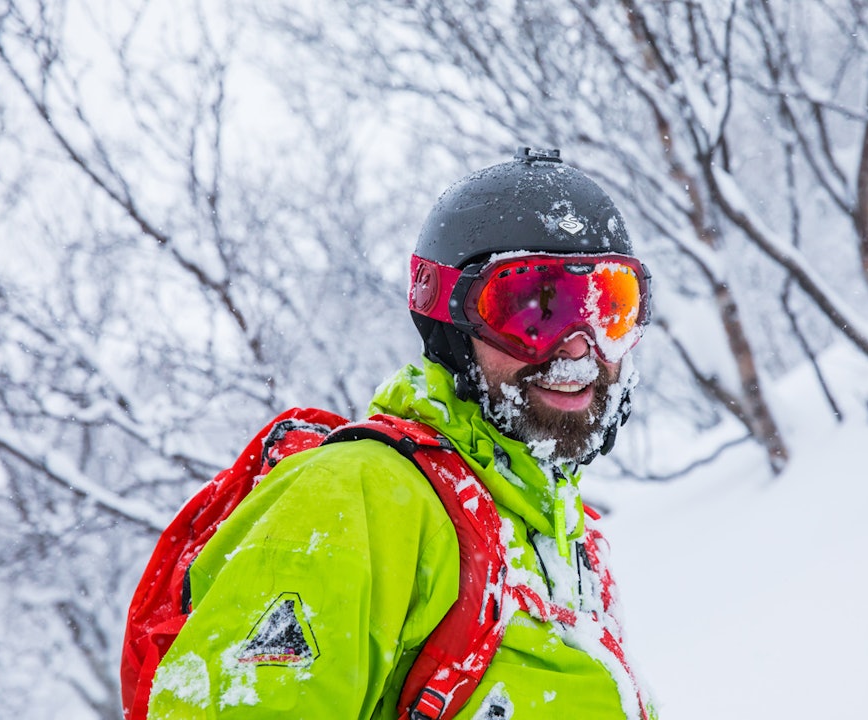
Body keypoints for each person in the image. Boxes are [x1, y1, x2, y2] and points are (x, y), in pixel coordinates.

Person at [146, 147, 655, 719]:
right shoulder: (354, 496)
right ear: (452, 319)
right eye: (533, 310)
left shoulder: (564, 536)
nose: (579, 348)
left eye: (610, 308)